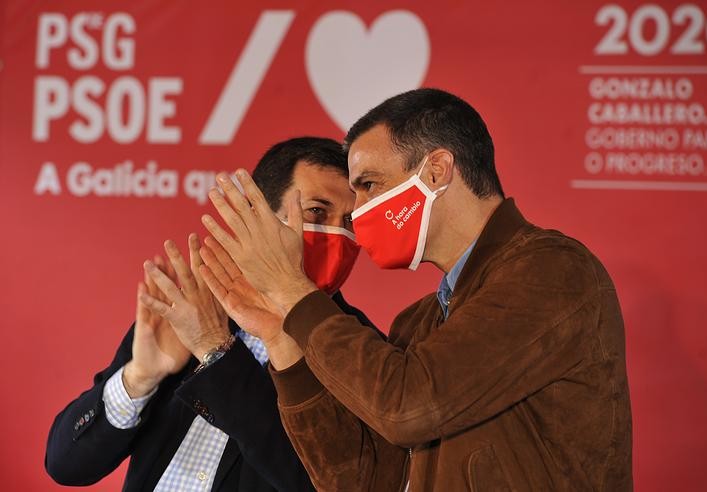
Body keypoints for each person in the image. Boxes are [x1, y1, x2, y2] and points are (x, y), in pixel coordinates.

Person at [200, 89, 633, 491]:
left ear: (437, 170)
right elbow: (363, 479)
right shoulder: (419, 321)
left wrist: (294, 291)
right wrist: (280, 337)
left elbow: (411, 407)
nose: (361, 210)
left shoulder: (551, 269)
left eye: (369, 184)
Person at [45, 137, 372, 491]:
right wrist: (139, 377)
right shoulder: (193, 308)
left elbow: (318, 481)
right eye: (317, 212)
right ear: (256, 215)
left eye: (351, 221)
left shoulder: (360, 349)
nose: (338, 235)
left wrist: (216, 350)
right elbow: (66, 464)